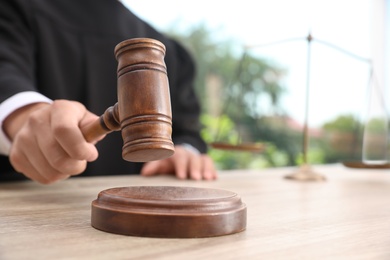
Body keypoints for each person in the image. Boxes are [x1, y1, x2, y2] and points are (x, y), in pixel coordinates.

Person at [0, 0, 217, 183]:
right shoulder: (13, 10)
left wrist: (184, 151)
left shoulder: (168, 51)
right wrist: (26, 117)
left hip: (136, 219)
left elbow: (188, 131)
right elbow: (6, 74)